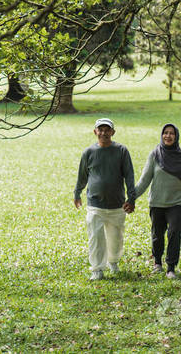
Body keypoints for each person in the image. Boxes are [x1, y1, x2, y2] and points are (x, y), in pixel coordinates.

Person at [124, 123, 181, 279]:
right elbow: (144, 180)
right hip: (157, 202)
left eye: (172, 133)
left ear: (176, 136)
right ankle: (157, 262)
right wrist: (132, 198)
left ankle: (171, 267)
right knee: (157, 234)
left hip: (177, 202)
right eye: (165, 133)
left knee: (174, 233)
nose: (168, 136)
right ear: (161, 135)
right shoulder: (154, 155)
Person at [74, 118, 136, 281]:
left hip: (117, 204)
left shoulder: (121, 151)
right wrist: (77, 193)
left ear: (112, 132)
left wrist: (132, 197)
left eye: (107, 130)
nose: (103, 133)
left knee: (115, 238)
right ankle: (97, 269)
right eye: (100, 130)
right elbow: (82, 176)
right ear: (95, 132)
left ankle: (113, 261)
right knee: (96, 237)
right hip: (95, 204)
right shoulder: (89, 152)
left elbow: (129, 175)